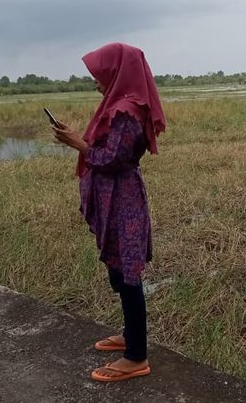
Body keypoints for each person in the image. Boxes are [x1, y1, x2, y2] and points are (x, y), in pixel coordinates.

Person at [52, 42, 166, 382]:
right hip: (114, 200)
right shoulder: (117, 105)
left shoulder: (128, 110)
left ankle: (136, 357)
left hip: (123, 201)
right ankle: (131, 336)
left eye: (99, 73)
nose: (95, 80)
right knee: (118, 269)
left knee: (128, 275)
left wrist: (77, 143)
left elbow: (114, 160)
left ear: (117, 71)